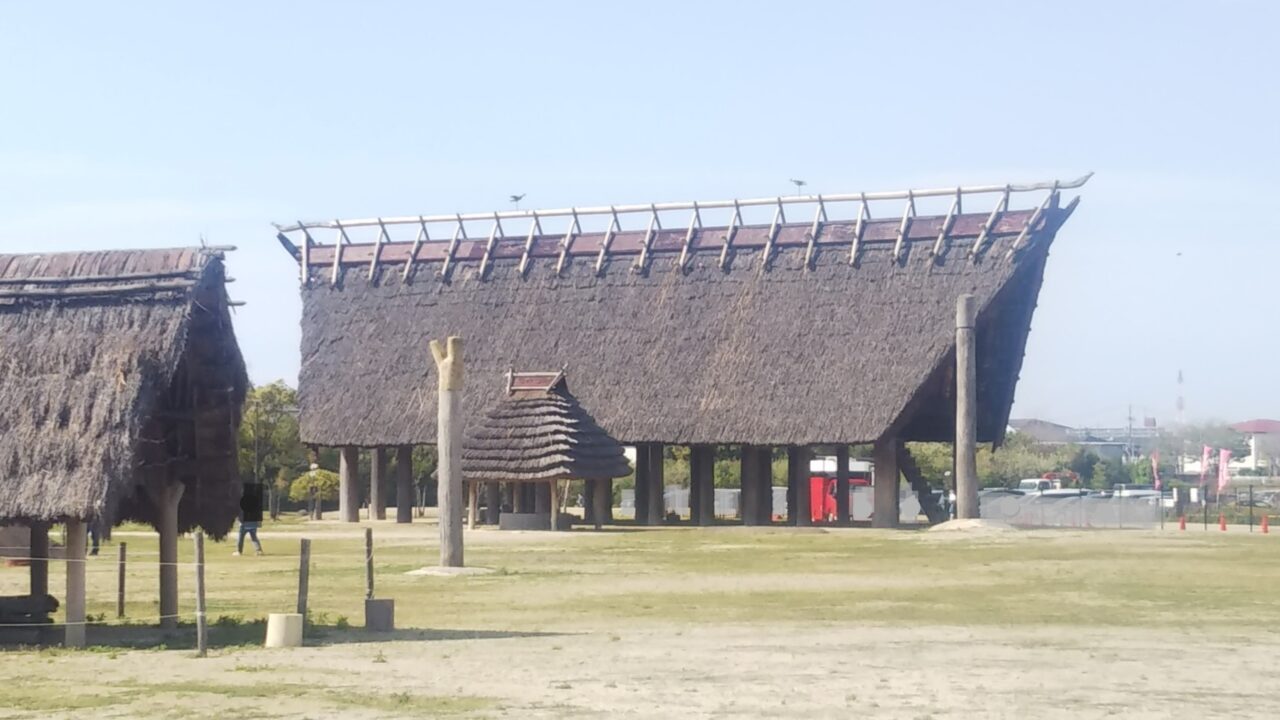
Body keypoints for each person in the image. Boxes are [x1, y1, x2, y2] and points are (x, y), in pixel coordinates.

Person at [234, 483, 265, 556]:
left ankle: (239, 551)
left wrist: (240, 520)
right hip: (253, 523)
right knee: (254, 537)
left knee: (241, 538)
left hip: (244, 523)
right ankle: (259, 550)